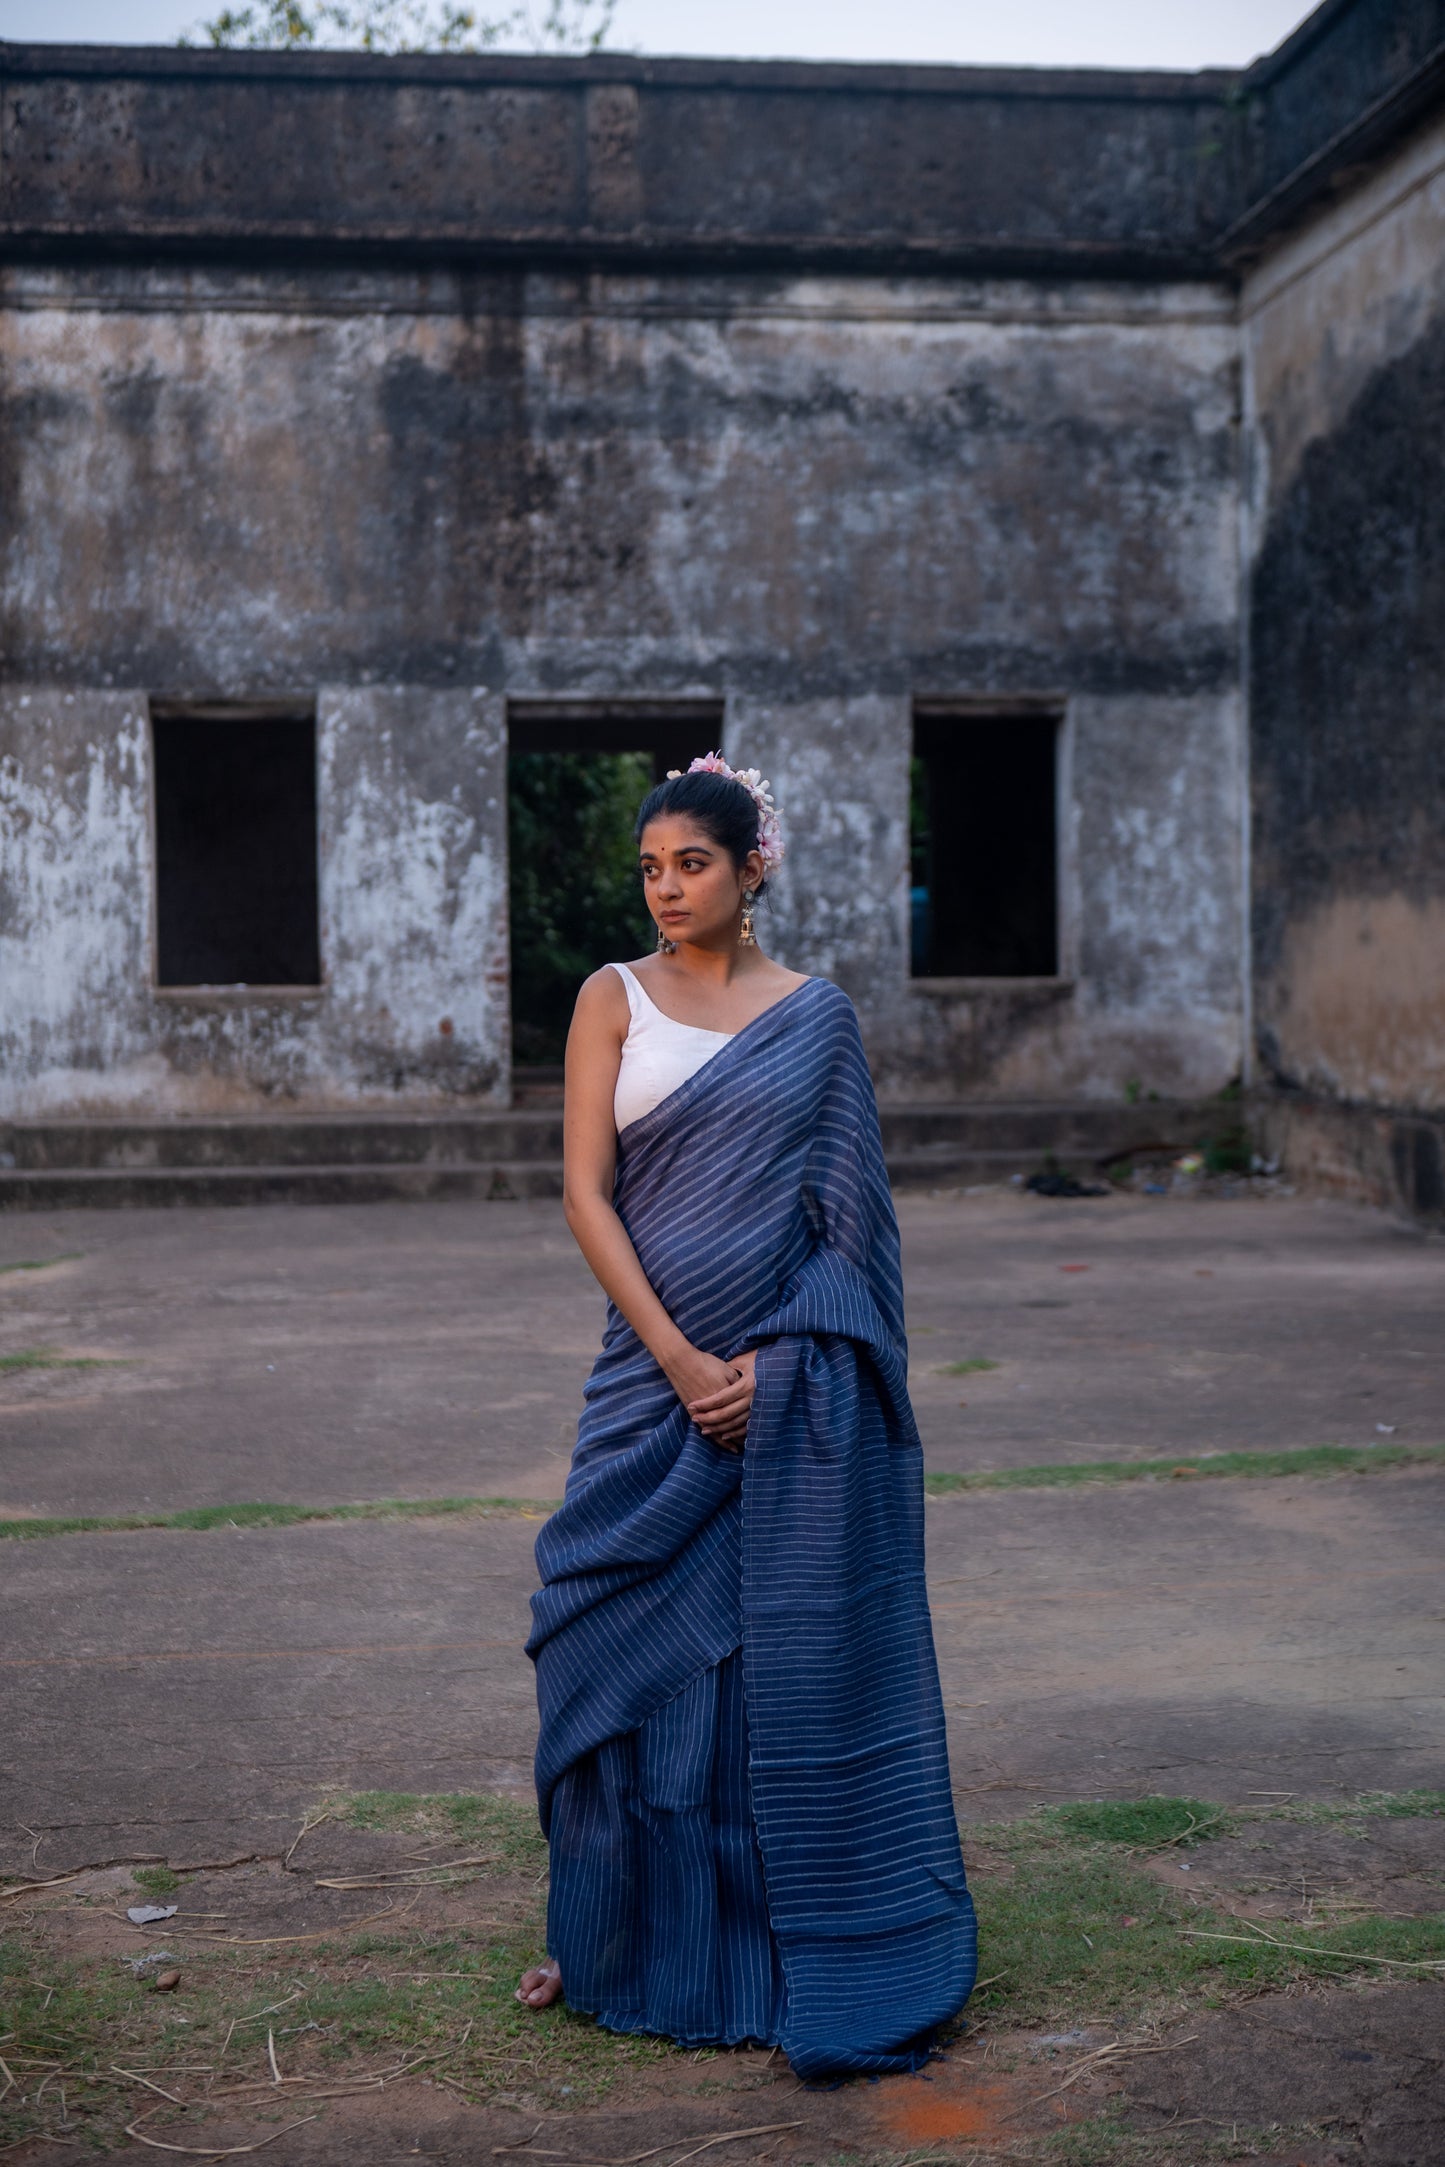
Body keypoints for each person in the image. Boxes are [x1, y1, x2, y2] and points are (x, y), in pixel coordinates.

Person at [516, 754, 977, 2077]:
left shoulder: (815, 1022)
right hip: (648, 1386)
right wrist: (677, 1362)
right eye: (650, 867)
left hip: (781, 1394)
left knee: (746, 1683)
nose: (666, 889)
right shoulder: (611, 1001)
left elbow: (853, 1236)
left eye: (691, 864)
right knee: (596, 1636)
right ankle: (607, 1944)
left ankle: (772, 1946)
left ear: (751, 865)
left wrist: (779, 1374)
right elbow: (585, 1196)